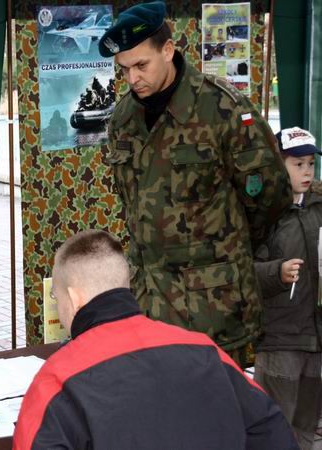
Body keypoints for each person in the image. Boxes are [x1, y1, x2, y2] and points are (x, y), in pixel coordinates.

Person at [97, 1, 292, 366]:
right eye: (124, 69)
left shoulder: (223, 110)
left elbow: (270, 196)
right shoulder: (124, 117)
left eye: (141, 65)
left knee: (215, 415)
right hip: (148, 306)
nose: (132, 78)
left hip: (211, 307)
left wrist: (223, 247)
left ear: (168, 50)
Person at [13, 230, 298, 450]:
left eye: (56, 296)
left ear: (74, 298)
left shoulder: (57, 380)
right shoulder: (205, 350)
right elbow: (271, 429)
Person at [254, 127, 322, 450]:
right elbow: (245, 271)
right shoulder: (263, 212)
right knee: (275, 428)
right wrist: (276, 273)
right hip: (279, 340)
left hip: (316, 339)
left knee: (305, 427)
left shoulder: (320, 206)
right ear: (277, 164)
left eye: (310, 163)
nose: (307, 171)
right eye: (298, 164)